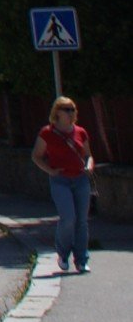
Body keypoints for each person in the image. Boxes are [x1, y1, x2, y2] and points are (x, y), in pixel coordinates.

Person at [32, 96, 93, 274]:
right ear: (56, 112)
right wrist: (49, 170)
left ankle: (81, 260)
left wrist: (89, 166)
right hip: (60, 180)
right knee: (68, 218)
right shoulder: (47, 133)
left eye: (73, 109)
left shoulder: (81, 132)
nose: (71, 112)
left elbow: (88, 155)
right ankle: (63, 254)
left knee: (82, 221)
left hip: (80, 179)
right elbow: (36, 156)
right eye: (66, 109)